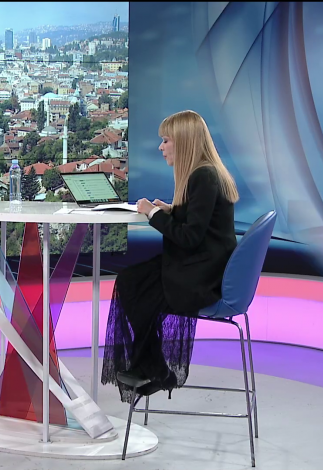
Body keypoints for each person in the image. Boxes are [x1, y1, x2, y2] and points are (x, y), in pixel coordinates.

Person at [102, 110, 239, 403]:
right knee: (131, 281)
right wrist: (172, 210)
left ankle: (154, 368)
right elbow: (200, 223)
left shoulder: (203, 176)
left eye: (166, 141)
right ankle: (153, 367)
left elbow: (190, 237)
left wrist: (153, 213)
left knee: (133, 285)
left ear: (184, 142)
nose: (161, 147)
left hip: (202, 277)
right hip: (205, 266)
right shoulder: (207, 172)